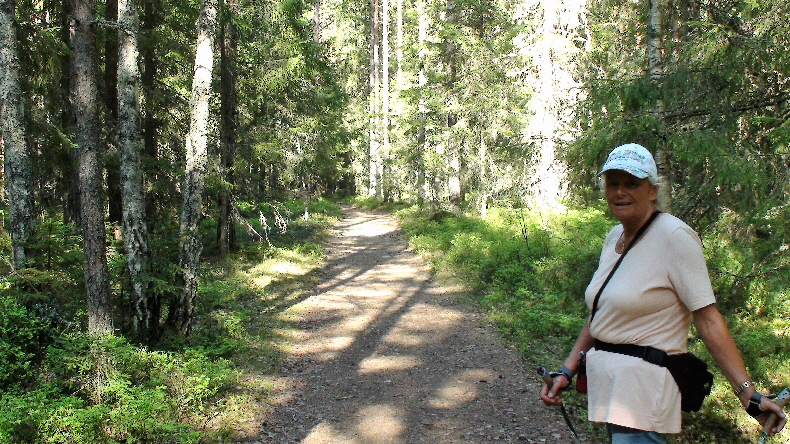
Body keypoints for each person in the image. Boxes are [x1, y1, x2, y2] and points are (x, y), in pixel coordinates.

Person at [539, 143, 787, 443]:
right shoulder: (614, 237)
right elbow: (600, 315)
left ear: (653, 190)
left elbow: (707, 319)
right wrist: (566, 370)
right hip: (612, 390)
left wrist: (748, 393)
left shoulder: (674, 237)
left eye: (632, 183)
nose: (620, 192)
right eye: (613, 183)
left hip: (644, 394)